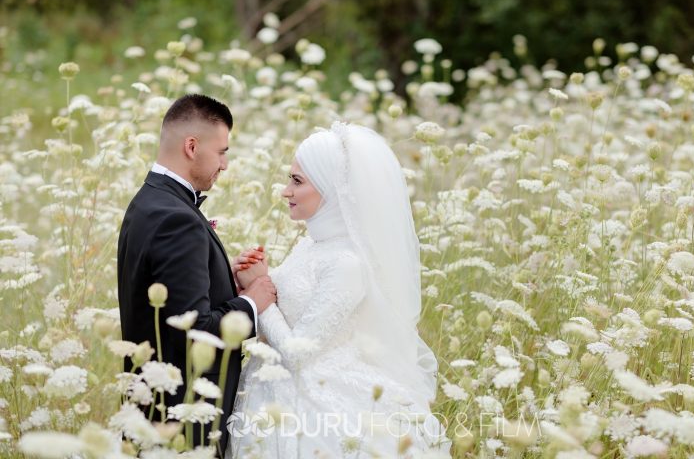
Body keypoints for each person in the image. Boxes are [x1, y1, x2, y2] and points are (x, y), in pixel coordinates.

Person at [226, 122, 448, 458]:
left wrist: (260, 298)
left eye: (297, 181)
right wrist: (250, 278)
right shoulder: (309, 245)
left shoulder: (347, 263)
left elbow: (298, 353)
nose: (286, 191)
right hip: (270, 393)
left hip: (315, 413)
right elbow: (282, 309)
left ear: (331, 189)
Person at [117, 94, 277, 455]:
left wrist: (223, 279)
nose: (225, 164)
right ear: (192, 146)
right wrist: (252, 303)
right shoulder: (177, 219)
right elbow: (196, 333)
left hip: (151, 410)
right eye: (222, 152)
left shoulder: (148, 200)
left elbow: (168, 304)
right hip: (182, 423)